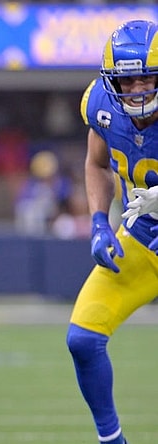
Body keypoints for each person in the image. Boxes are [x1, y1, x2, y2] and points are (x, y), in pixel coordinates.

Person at [66, 19, 158, 444]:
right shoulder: (100, 104)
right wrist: (100, 221)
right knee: (83, 339)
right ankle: (112, 440)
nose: (139, 89)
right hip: (142, 238)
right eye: (128, 80)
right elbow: (97, 163)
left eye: (148, 78)